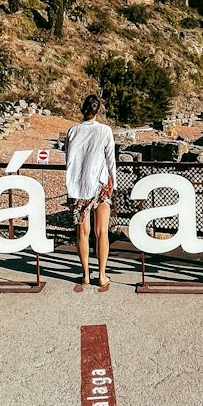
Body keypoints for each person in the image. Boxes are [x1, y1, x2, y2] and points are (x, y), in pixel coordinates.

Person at [64, 93, 116, 292]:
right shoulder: (105, 131)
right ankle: (102, 275)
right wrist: (115, 184)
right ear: (98, 110)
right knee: (101, 231)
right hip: (100, 184)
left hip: (78, 185)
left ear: (82, 109)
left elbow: (68, 158)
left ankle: (85, 274)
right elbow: (111, 161)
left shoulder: (72, 131)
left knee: (82, 232)